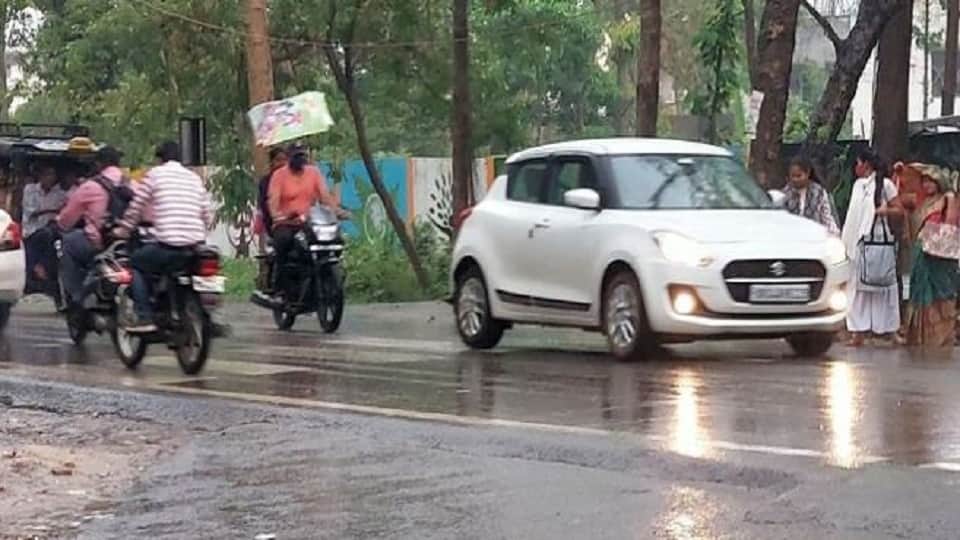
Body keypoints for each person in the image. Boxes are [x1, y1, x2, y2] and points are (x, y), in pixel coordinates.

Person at [114, 141, 213, 332]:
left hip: (169, 245)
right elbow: (207, 212)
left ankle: (145, 316)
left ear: (160, 159)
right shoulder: (194, 178)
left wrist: (123, 230)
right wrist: (200, 233)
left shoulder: (155, 175)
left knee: (135, 264)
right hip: (195, 246)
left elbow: (136, 206)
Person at [841, 149, 904, 347]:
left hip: (879, 240)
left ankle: (890, 331)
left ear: (866, 164)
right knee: (858, 288)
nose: (855, 168)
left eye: (858, 163)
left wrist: (885, 211)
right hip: (859, 243)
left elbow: (899, 210)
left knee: (884, 285)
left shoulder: (885, 185)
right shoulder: (858, 186)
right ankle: (858, 332)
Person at [267, 143, 346, 293]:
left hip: (308, 222)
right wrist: (277, 215)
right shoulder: (279, 175)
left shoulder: (314, 173)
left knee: (334, 239)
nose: (300, 159)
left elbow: (324, 196)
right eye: (297, 156)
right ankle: (280, 286)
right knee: (283, 242)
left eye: (303, 155)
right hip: (287, 223)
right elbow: (273, 201)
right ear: (289, 158)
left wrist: (336, 211)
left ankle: (326, 276)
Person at [896, 163, 960, 347]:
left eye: (930, 181)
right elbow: (899, 198)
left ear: (939, 182)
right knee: (920, 289)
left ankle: (942, 336)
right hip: (922, 252)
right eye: (924, 182)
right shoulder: (921, 201)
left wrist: (935, 240)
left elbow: (950, 225)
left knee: (941, 292)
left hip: (941, 254)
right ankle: (919, 335)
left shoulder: (948, 198)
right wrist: (900, 171)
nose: (927, 185)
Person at [56, 147, 126, 308]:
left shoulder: (91, 186)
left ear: (99, 164)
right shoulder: (132, 183)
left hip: (99, 242)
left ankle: (76, 296)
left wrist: (60, 224)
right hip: (127, 243)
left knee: (68, 242)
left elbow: (66, 220)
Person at [22, 164, 68, 305]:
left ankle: (43, 270)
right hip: (31, 231)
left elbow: (62, 213)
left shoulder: (60, 193)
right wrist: (52, 210)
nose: (49, 178)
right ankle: (38, 268)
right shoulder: (30, 189)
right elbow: (32, 211)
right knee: (44, 235)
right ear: (40, 176)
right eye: (46, 174)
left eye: (52, 175)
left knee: (50, 236)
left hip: (52, 233)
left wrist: (52, 212)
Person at [254, 147, 288, 293]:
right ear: (271, 162)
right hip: (275, 224)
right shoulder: (266, 182)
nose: (282, 163)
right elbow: (265, 206)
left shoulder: (293, 178)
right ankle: (276, 284)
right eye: (278, 160)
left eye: (284, 160)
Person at [783, 155, 840, 235]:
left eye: (799, 176)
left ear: (808, 173)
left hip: (814, 237)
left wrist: (835, 234)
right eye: (793, 176)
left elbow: (826, 216)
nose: (795, 179)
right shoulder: (785, 194)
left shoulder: (819, 192)